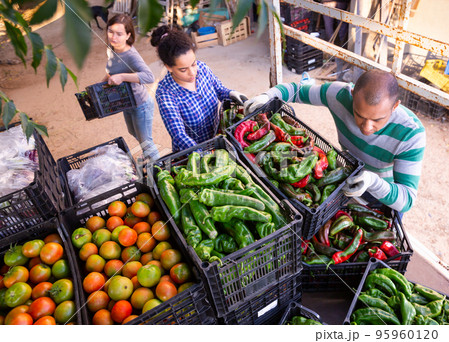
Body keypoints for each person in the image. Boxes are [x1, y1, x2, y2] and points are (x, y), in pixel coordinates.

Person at [244, 70, 425, 213]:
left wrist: (372, 181)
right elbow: (295, 90)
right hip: (344, 176)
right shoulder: (339, 94)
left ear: (395, 106)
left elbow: (407, 200)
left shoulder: (411, 134)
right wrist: (267, 96)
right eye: (359, 115)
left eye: (378, 120)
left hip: (384, 194)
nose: (367, 127)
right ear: (353, 94)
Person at [150, 25, 248, 152]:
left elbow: (219, 90)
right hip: (191, 153)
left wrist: (231, 93)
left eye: (193, 64)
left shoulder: (202, 68)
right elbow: (179, 135)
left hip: (217, 139)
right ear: (168, 67)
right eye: (183, 69)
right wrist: (203, 154)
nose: (192, 73)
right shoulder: (165, 93)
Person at [104, 14, 160, 160]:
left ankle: (160, 170)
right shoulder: (113, 49)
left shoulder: (131, 55)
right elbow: (111, 71)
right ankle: (147, 153)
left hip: (141, 105)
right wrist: (100, 84)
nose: (113, 37)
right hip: (127, 103)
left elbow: (149, 77)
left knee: (147, 142)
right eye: (110, 31)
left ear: (128, 35)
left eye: (119, 34)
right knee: (133, 132)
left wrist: (122, 77)